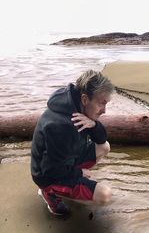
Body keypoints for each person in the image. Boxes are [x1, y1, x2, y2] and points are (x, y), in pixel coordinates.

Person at [31, 70, 114, 216]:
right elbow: (50, 170)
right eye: (102, 103)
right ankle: (48, 193)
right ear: (84, 99)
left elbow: (101, 140)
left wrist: (93, 125)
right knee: (105, 195)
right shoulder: (62, 127)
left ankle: (72, 180)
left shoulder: (73, 104)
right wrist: (79, 172)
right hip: (47, 176)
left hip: (63, 160)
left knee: (104, 146)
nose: (104, 110)